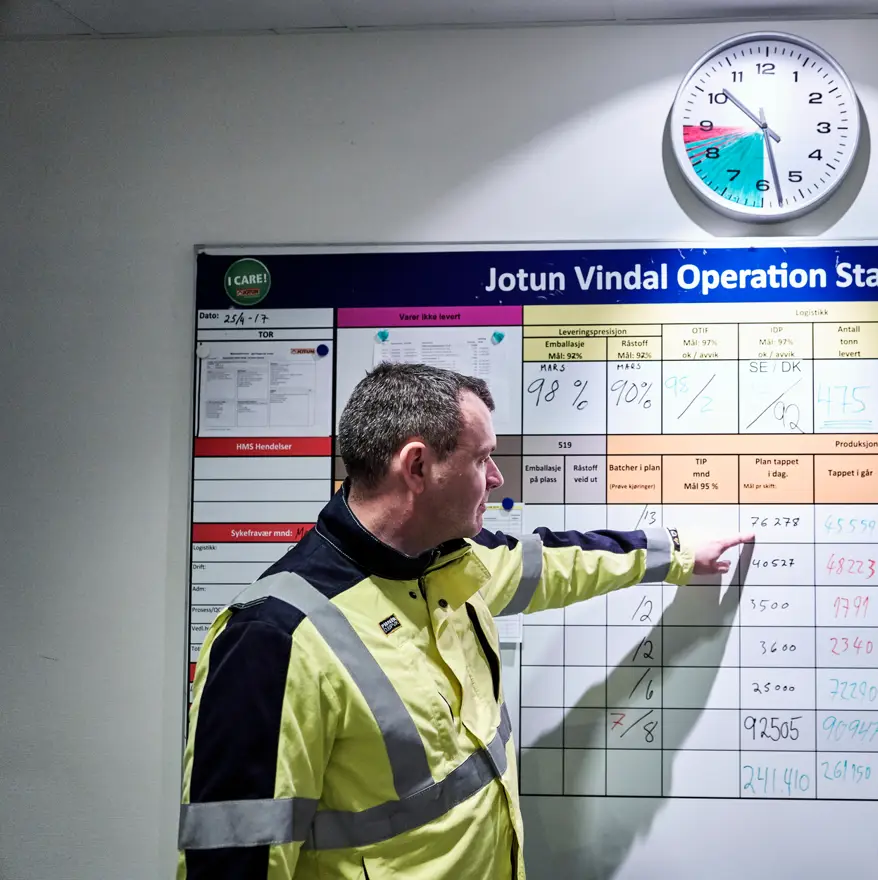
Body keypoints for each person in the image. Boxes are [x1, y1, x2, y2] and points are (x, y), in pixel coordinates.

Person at [176, 363, 752, 879]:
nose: (496, 477)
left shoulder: (450, 564)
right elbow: (232, 861)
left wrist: (678, 553)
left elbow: (559, 561)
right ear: (418, 466)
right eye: (481, 459)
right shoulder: (273, 639)